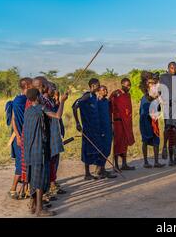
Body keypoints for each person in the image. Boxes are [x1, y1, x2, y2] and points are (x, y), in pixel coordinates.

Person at [24, 88, 67, 217]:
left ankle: (33, 205)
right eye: (40, 96)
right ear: (37, 97)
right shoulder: (41, 108)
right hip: (40, 149)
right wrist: (63, 102)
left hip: (30, 150)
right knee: (40, 179)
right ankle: (39, 210)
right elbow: (57, 116)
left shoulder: (28, 111)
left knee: (33, 178)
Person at [73, 78, 106, 180]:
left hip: (96, 128)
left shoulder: (94, 97)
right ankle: (87, 174)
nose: (99, 87)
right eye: (97, 85)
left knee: (98, 148)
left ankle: (99, 171)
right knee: (87, 150)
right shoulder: (86, 96)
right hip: (88, 128)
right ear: (92, 86)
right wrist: (78, 123)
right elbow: (74, 107)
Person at [6, 77, 32, 200]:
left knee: (27, 162)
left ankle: (25, 189)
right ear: (26, 86)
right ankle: (13, 188)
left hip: (27, 135)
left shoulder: (28, 99)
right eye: (32, 84)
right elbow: (14, 119)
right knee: (20, 164)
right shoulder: (18, 101)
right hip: (20, 137)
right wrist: (17, 136)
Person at [159, 62, 176, 166]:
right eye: (172, 67)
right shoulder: (163, 77)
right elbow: (158, 91)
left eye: (175, 67)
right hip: (167, 107)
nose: (174, 69)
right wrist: (161, 100)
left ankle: (174, 155)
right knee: (168, 129)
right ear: (168, 68)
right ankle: (165, 147)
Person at [139, 71, 166, 168]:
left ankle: (156, 162)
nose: (153, 84)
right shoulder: (145, 98)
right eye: (151, 82)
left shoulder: (155, 94)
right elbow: (144, 112)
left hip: (154, 120)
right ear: (147, 83)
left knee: (156, 140)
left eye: (154, 82)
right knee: (145, 140)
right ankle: (146, 162)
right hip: (146, 120)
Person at [109, 78, 136, 171]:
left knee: (125, 143)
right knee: (117, 143)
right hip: (118, 122)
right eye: (127, 85)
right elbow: (110, 107)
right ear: (122, 84)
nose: (129, 87)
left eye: (130, 85)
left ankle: (124, 164)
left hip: (127, 122)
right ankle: (116, 165)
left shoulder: (128, 94)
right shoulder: (116, 94)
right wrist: (110, 122)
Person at [96, 86, 117, 179]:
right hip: (101, 129)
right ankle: (100, 170)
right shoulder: (97, 102)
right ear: (98, 91)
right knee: (102, 149)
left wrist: (112, 125)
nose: (106, 91)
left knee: (107, 148)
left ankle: (101, 169)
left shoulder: (107, 102)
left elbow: (110, 114)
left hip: (108, 127)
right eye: (103, 90)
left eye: (106, 89)